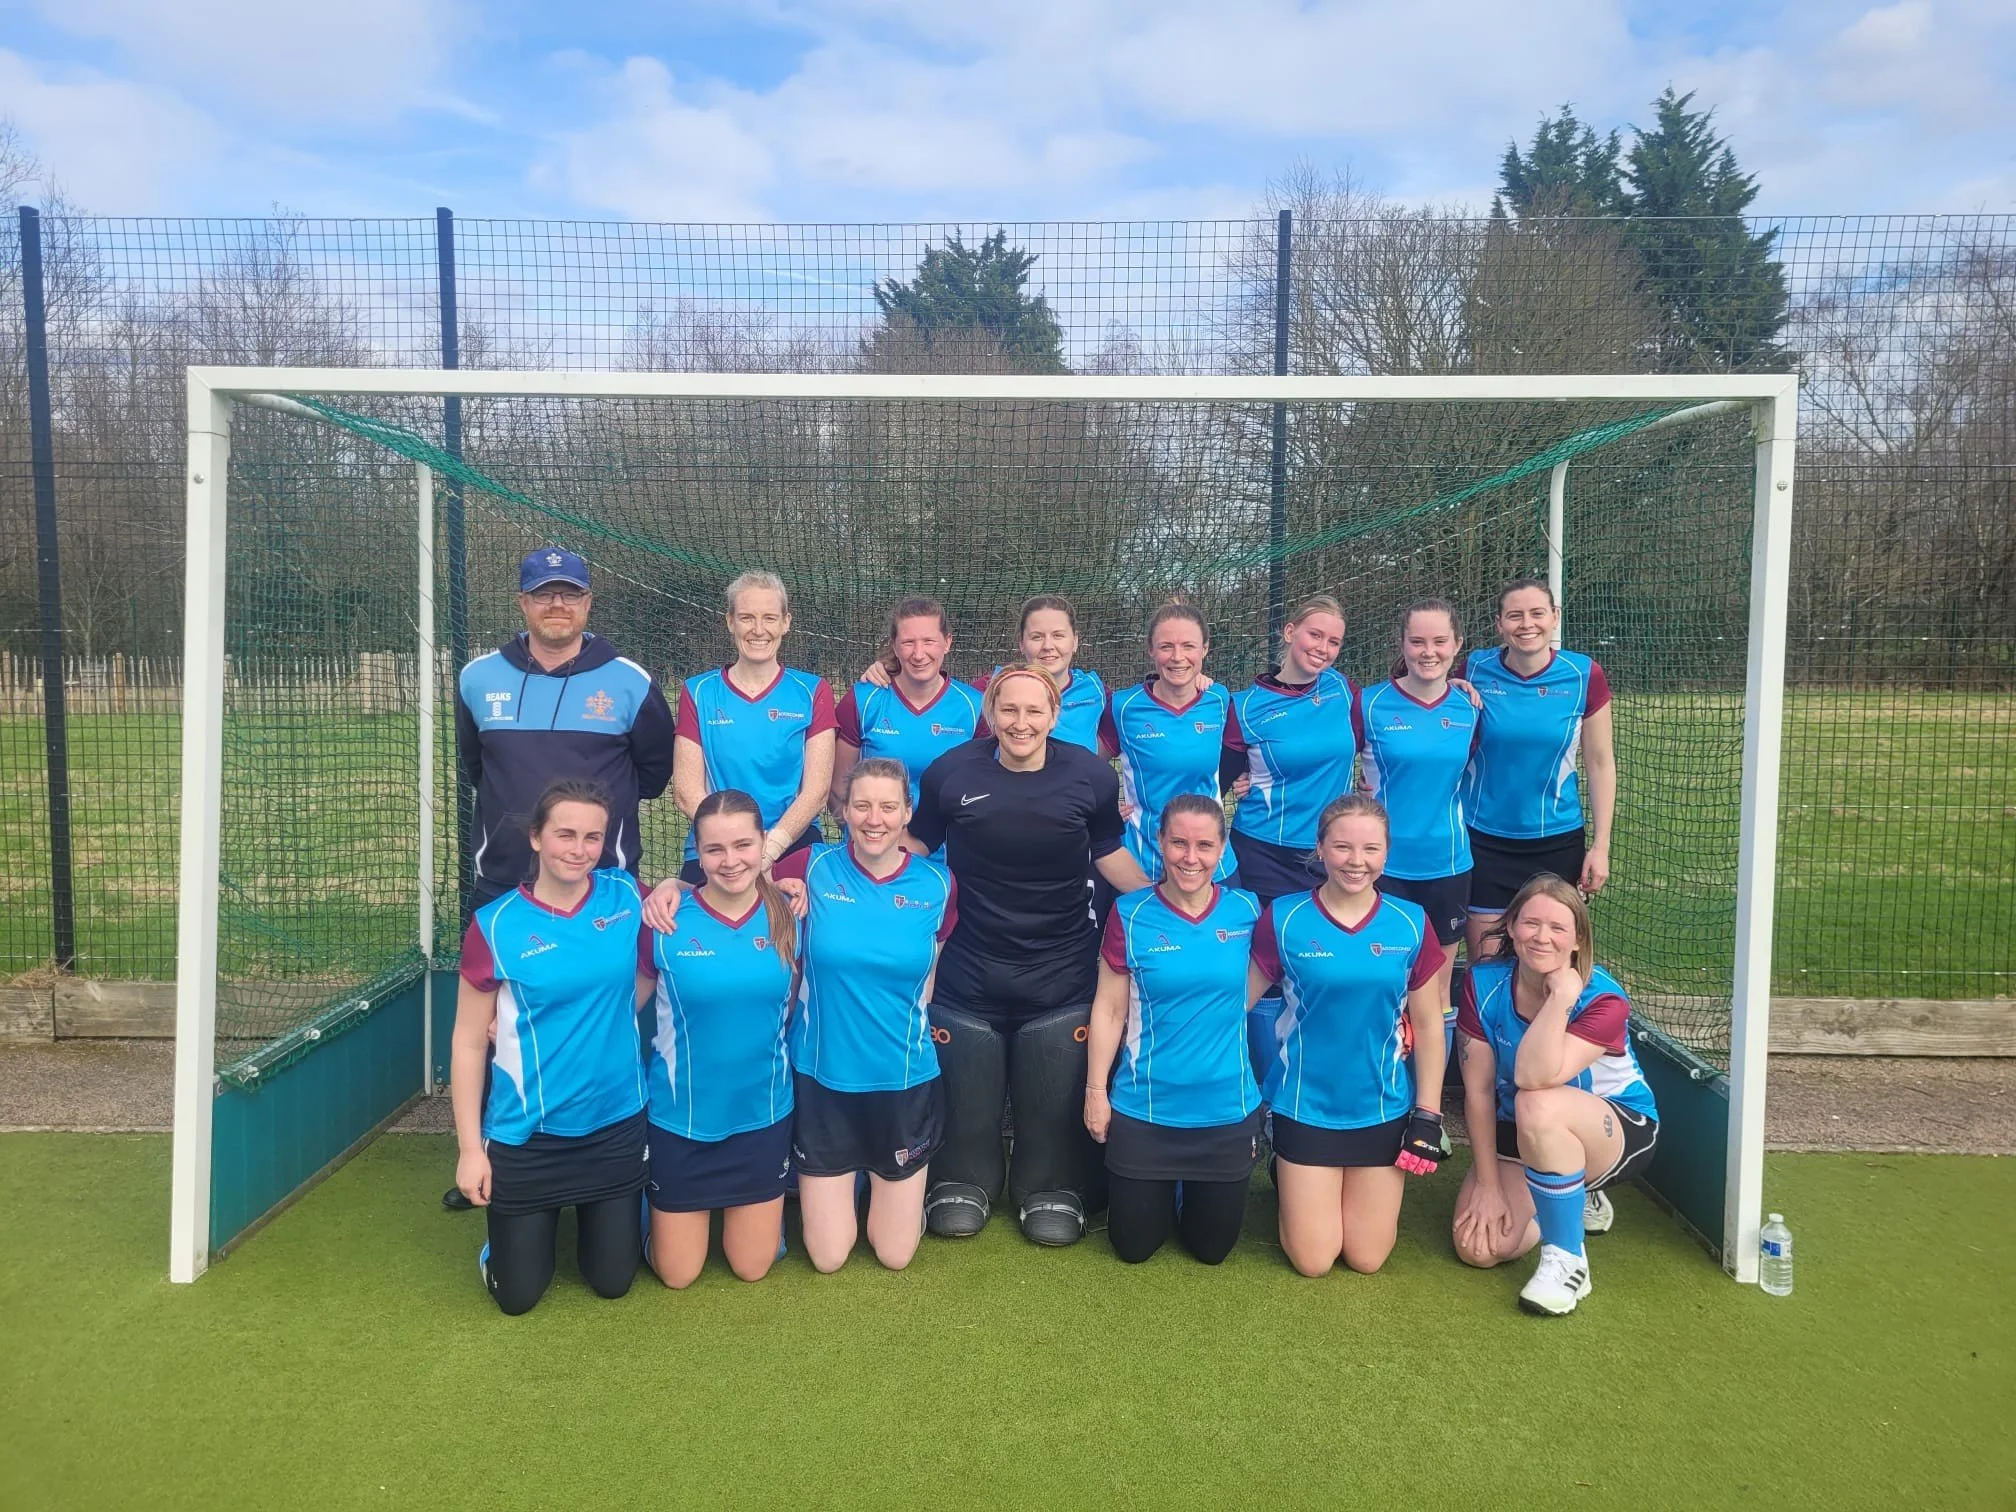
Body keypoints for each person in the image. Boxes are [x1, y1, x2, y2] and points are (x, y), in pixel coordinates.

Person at [446, 545, 674, 1212]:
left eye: (569, 594)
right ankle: (487, 1157)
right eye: (544, 593)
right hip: (504, 889)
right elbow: (475, 767)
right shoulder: (477, 679)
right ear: (522, 602)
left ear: (588, 602)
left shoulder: (629, 682)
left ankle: (613, 1154)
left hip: (602, 896)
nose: (557, 604)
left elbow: (653, 775)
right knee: (493, 1032)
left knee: (605, 1021)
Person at [908, 664, 1153, 1246]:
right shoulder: (951, 771)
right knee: (967, 1083)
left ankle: (1051, 1182)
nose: (1021, 722)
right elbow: (916, 844)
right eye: (1008, 710)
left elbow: (1107, 854)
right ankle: (964, 1176)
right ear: (990, 714)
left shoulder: (1090, 775)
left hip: (1061, 968)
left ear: (1053, 715)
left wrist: (1161, 904)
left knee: (1052, 1081)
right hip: (969, 965)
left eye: (1033, 711)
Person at [451, 780, 652, 1315]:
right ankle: (506, 1245)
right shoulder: (494, 926)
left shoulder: (626, 896)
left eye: (593, 837)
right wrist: (471, 1151)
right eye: (565, 834)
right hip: (527, 1134)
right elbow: (469, 1042)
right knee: (518, 1298)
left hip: (614, 1125)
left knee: (612, 1282)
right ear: (536, 837)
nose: (579, 849)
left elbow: (678, 927)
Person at [1247, 795, 1450, 1278]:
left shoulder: (1410, 922)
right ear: (1320, 849)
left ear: (1386, 853)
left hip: (1381, 1109)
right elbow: (1240, 1003)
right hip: (1305, 1105)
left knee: (1366, 1258)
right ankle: (1287, 1167)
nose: (1356, 862)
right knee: (1314, 1261)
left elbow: (1427, 1024)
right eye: (1342, 847)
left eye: (1370, 849)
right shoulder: (1284, 918)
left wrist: (1428, 1114)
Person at [773, 759, 957, 1273]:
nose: (873, 819)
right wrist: (673, 891)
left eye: (887, 807)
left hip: (902, 1081)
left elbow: (932, 965)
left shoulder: (937, 885)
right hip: (822, 1079)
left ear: (907, 814)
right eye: (861, 806)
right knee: (829, 1258)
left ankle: (892, 1195)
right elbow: (733, 882)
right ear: (844, 812)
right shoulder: (808, 866)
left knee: (894, 1255)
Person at [1450, 875, 1659, 1316]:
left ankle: (1566, 1259)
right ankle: (1564, 1197)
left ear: (1578, 939)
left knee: (1537, 1100)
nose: (1541, 937)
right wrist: (1487, 1184)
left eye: (1558, 928)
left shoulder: (1603, 998)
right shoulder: (1482, 984)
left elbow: (1533, 1074)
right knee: (1479, 1248)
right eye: (1530, 923)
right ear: (1510, 927)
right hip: (1525, 1126)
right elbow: (1479, 1090)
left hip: (1616, 1127)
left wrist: (1562, 997)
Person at [1084, 795, 1264, 1264]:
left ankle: (1192, 1190)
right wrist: (1096, 1092)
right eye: (1179, 842)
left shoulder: (1248, 911)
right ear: (1159, 843)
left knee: (1211, 1251)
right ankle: (1160, 1186)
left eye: (1204, 845)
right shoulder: (1130, 913)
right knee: (1134, 1247)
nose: (1191, 857)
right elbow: (1108, 1009)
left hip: (1226, 1109)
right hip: (1146, 1108)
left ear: (1222, 849)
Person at [642, 790, 798, 1289]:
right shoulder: (664, 920)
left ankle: (759, 1222)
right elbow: (619, 1006)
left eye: (743, 845)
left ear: (762, 845)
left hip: (761, 1117)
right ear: (697, 852)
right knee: (678, 1275)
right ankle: (650, 1214)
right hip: (681, 1120)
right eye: (714, 849)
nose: (731, 861)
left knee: (751, 1268)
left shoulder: (792, 915)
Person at [1223, 593, 1359, 1075]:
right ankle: (1264, 1087)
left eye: (1334, 641)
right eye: (1314, 634)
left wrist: (1460, 686)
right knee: (1266, 970)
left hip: (1334, 858)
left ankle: (1319, 1077)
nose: (1323, 647)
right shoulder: (1244, 707)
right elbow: (1215, 779)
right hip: (1263, 854)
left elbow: (1390, 736)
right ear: (1289, 632)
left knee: (1324, 967)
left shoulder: (1344, 691)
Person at [1461, 577, 1616, 971]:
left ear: (1555, 618)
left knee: (1552, 964)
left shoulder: (1584, 675)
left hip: (1557, 843)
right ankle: (1483, 1035)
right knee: (1488, 965)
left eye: (1537, 613)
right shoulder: (1473, 668)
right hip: (1484, 841)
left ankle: (1554, 1034)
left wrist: (1600, 847)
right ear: (1499, 624)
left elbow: (1600, 762)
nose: (1526, 624)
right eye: (1515, 615)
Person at [1357, 599, 1479, 1043]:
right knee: (1379, 982)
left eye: (1440, 641)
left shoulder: (1471, 708)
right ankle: (1377, 1093)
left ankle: (1427, 1105)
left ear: (1457, 645)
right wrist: (1252, 779)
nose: (1429, 652)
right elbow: (1327, 760)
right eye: (1418, 641)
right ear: (1402, 644)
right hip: (1378, 868)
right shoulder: (1368, 704)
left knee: (1438, 990)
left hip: (1447, 866)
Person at [674, 571, 836, 884]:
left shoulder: (813, 691)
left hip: (792, 843)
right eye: (747, 617)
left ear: (786, 622)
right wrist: (733, 847)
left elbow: (816, 792)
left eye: (770, 618)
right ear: (730, 621)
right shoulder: (698, 692)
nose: (758, 630)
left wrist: (770, 848)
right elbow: (685, 790)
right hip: (716, 848)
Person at [860, 592, 1108, 752]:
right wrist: (888, 667)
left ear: (1075, 641)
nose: (1048, 646)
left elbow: (1115, 744)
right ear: (1021, 643)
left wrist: (1102, 798)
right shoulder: (990, 687)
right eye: (1036, 636)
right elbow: (943, 694)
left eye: (1058, 635)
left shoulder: (1098, 692)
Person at [1100, 601, 1238, 885]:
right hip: (1144, 863)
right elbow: (1086, 767)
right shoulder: (1124, 707)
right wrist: (1102, 809)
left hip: (1212, 863)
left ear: (1205, 649)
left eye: (1188, 646)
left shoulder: (1219, 700)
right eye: (1166, 647)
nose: (1178, 657)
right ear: (1151, 650)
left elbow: (1248, 752)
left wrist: (1250, 779)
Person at [833, 596, 984, 817]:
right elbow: (838, 788)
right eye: (908, 643)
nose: (919, 654)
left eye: (929, 641)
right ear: (894, 645)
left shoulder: (975, 707)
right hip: (876, 847)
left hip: (946, 850)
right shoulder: (863, 700)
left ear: (947, 642)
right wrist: (864, 839)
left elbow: (985, 790)